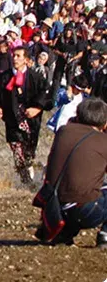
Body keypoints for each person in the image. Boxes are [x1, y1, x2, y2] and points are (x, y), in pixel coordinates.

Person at [36, 98, 107, 247]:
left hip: (54, 206)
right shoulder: (103, 140)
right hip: (85, 211)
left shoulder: (63, 131)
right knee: (89, 191)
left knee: (77, 188)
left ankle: (65, 234)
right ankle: (105, 236)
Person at [0, 46, 52, 185]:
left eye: (18, 56)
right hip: (12, 118)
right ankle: (26, 181)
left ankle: (29, 167)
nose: (15, 59)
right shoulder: (4, 77)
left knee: (28, 151)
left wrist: (37, 108)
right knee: (16, 147)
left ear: (26, 60)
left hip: (31, 119)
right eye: (14, 56)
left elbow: (47, 95)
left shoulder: (36, 77)